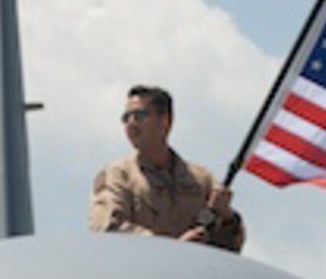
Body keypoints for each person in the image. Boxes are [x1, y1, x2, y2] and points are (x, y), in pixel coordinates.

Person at [89, 87, 245, 251]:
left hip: (192, 274)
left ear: (165, 121)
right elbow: (107, 230)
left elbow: (231, 249)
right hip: (140, 274)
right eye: (126, 117)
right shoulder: (118, 175)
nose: (131, 123)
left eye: (140, 115)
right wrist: (172, 248)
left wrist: (227, 217)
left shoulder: (201, 179)